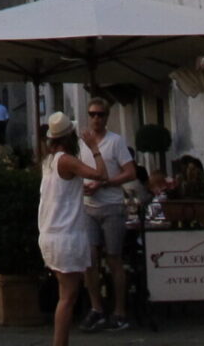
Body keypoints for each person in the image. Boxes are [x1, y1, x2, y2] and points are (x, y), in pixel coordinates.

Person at [40, 111, 124, 346]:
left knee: (65, 294)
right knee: (68, 297)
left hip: (51, 233)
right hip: (66, 235)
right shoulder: (66, 160)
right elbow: (101, 174)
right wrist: (94, 148)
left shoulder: (48, 161)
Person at [77, 98, 137, 334]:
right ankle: (96, 308)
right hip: (88, 206)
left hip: (111, 207)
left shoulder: (116, 142)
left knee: (114, 258)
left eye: (100, 114)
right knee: (89, 259)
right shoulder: (82, 143)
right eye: (92, 114)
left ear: (107, 117)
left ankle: (120, 311)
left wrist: (105, 183)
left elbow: (130, 172)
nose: (96, 118)